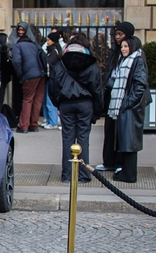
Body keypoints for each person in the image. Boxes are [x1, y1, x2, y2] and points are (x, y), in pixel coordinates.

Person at [48, 34, 103, 183]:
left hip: (66, 104)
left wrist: (58, 103)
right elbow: (97, 89)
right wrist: (97, 111)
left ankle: (67, 175)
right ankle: (84, 175)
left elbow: (52, 87)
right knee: (83, 138)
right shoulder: (91, 64)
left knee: (68, 139)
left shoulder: (60, 63)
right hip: (86, 103)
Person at [106, 36, 151, 183]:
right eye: (122, 47)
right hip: (125, 106)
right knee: (125, 141)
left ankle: (129, 175)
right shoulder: (128, 60)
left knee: (130, 142)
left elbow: (140, 85)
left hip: (129, 108)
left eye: (126, 46)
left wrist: (128, 103)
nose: (123, 49)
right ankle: (126, 172)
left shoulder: (136, 60)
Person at [96, 21, 134, 172]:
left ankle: (119, 162)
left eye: (121, 35)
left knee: (121, 132)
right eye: (116, 34)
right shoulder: (114, 51)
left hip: (124, 95)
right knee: (110, 129)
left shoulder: (132, 52)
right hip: (113, 92)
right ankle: (109, 161)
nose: (118, 38)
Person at [11, 22, 46, 133]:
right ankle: (34, 125)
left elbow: (16, 61)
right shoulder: (35, 45)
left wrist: (21, 75)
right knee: (37, 100)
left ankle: (24, 126)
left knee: (27, 100)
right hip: (41, 74)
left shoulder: (17, 46)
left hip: (29, 75)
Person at [41, 32, 62, 130]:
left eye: (49, 40)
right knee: (46, 100)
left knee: (50, 100)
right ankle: (49, 119)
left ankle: (53, 121)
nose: (47, 41)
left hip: (52, 78)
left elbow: (50, 64)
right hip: (49, 78)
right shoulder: (51, 50)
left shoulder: (53, 52)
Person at [0, 32, 18, 112]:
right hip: (1, 78)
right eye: (7, 39)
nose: (8, 41)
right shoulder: (3, 51)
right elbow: (6, 67)